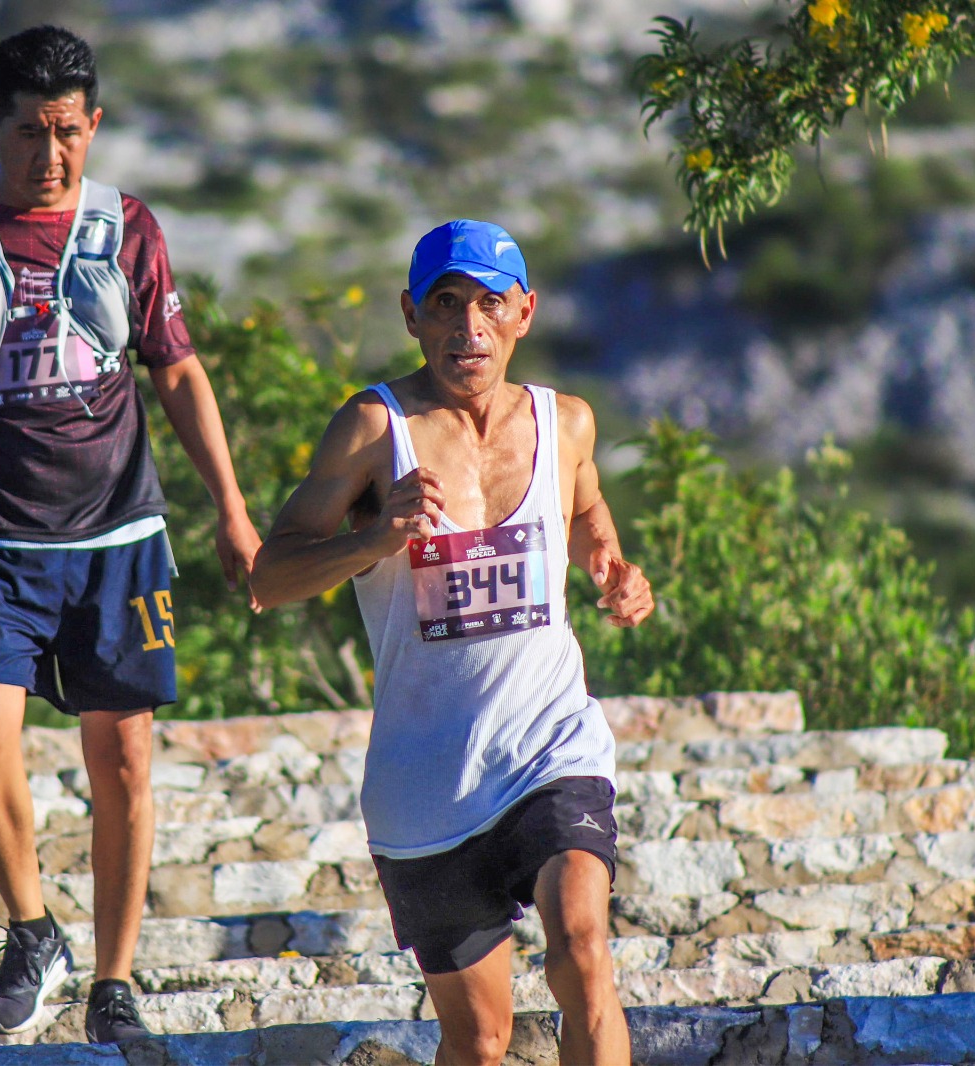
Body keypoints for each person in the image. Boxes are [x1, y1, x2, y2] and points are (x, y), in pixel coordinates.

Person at [0, 25, 261, 1044]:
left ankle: (114, 979)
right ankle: (33, 928)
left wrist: (231, 507)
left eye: (71, 131)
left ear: (94, 124)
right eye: (32, 132)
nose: (52, 154)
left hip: (115, 530)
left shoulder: (128, 227)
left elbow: (175, 367)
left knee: (122, 752)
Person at [249, 220, 654, 1065]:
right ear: (411, 315)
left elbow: (585, 517)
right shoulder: (371, 428)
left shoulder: (565, 422)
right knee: (480, 1040)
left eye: (488, 305)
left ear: (524, 314)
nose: (468, 328)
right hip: (426, 781)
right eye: (446, 305)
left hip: (549, 746)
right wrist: (371, 541)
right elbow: (268, 576)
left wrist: (615, 571)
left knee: (584, 949)